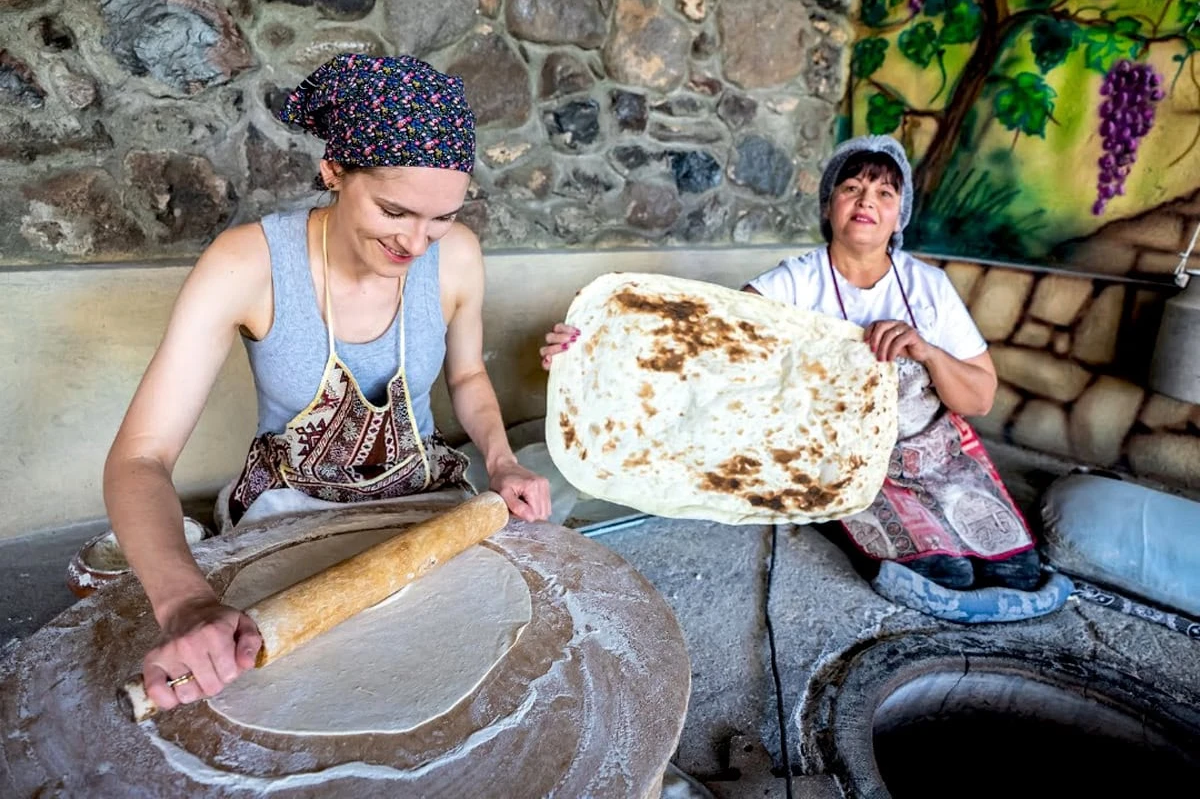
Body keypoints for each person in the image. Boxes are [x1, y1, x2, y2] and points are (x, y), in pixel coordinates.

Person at [104, 53, 551, 712]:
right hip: (293, 502)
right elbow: (140, 457)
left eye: (443, 217)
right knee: (283, 690)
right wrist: (185, 601)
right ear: (334, 171)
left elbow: (466, 374)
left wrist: (503, 461)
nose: (417, 244)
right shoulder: (249, 264)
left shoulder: (456, 258)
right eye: (395, 211)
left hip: (423, 496)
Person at [541, 134, 1042, 593]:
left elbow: (978, 397)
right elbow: (703, 348)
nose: (867, 200)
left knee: (1015, 570)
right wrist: (590, 349)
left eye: (885, 193)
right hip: (845, 461)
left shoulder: (928, 288)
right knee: (942, 572)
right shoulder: (795, 283)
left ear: (899, 216)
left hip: (937, 455)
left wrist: (928, 352)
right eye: (851, 187)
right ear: (829, 206)